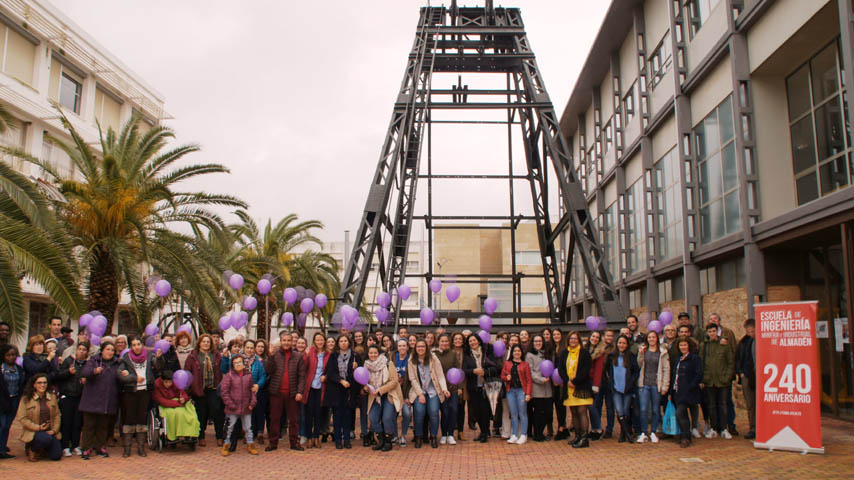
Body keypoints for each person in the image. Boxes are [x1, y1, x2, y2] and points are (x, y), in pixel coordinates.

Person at [117, 335, 159, 457]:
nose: (136, 347)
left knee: (142, 418)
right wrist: (135, 379)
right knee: (129, 418)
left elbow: (158, 367)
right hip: (130, 392)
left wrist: (160, 358)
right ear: (131, 346)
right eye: (134, 345)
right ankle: (127, 448)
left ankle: (141, 448)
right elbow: (120, 374)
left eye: (138, 344)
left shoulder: (150, 355)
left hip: (145, 391)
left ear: (142, 345)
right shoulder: (126, 357)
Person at [264, 331, 306, 451]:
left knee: (294, 420)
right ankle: (273, 443)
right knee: (275, 419)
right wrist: (270, 356)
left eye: (289, 340)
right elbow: (268, 371)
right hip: (276, 392)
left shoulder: (298, 356)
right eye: (284, 340)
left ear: (292, 342)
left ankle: (294, 443)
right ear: (281, 342)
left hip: (293, 393)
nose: (287, 343)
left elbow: (302, 376)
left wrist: (300, 392)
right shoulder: (275, 355)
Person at [79, 340, 120, 459]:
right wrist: (94, 372)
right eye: (108, 349)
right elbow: (84, 372)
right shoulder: (93, 361)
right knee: (89, 426)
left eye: (112, 350)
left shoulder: (116, 363)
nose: (110, 352)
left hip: (107, 400)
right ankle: (86, 448)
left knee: (103, 426)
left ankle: (100, 447)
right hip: (92, 399)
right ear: (102, 350)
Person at [408, 339, 449, 448]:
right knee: (419, 413)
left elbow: (440, 375)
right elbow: (412, 379)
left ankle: (433, 436)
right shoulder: (411, 360)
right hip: (418, 391)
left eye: (422, 346)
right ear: (415, 349)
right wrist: (420, 394)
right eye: (418, 347)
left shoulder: (433, 358)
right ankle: (418, 436)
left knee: (434, 413)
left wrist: (444, 389)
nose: (420, 348)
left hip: (433, 391)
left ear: (426, 348)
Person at [184, 334, 224, 447]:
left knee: (217, 411)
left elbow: (222, 369)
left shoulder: (216, 355)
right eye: (204, 341)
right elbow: (187, 372)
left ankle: (220, 436)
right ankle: (201, 436)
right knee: (201, 413)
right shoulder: (193, 356)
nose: (206, 343)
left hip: (214, 388)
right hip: (199, 389)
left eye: (208, 342)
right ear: (199, 343)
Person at [558, 331, 593, 448]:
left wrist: (575, 382)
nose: (573, 341)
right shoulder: (564, 353)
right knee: (573, 412)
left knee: (582, 411)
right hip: (569, 388)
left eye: (575, 339)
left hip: (581, 387)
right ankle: (577, 436)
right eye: (571, 339)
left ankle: (584, 438)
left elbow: (585, 370)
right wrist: (567, 380)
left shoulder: (584, 353)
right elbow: (561, 369)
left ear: (579, 340)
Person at [363, 344, 402, 452]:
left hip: (389, 394)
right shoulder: (366, 366)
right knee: (373, 417)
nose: (373, 355)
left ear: (379, 353)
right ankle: (381, 439)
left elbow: (394, 381)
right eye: (371, 353)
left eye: (375, 352)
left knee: (387, 418)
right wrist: (366, 388)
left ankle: (388, 441)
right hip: (375, 397)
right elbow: (365, 381)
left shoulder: (388, 363)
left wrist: (381, 389)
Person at [15, 373, 61, 461]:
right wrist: (38, 427)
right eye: (39, 383)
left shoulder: (52, 397)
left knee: (56, 456)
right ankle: (32, 449)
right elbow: (22, 418)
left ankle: (42, 449)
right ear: (34, 384)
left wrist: (54, 430)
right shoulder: (26, 399)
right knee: (45, 439)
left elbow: (57, 415)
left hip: (49, 431)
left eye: (45, 382)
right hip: (34, 431)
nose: (42, 385)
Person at [324, 335, 359, 449]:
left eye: (345, 341)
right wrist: (340, 380)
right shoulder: (333, 356)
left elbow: (360, 373)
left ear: (349, 342)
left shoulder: (355, 356)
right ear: (338, 343)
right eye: (341, 341)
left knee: (348, 416)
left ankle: (347, 440)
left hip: (349, 390)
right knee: (337, 415)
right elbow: (330, 372)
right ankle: (338, 440)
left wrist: (356, 368)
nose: (343, 343)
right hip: (336, 389)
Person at [700, 323, 734, 439]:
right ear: (707, 333)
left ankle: (724, 428)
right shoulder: (704, 346)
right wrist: (703, 378)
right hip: (709, 381)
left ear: (717, 331)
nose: (712, 334)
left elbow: (730, 362)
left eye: (714, 331)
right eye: (709, 332)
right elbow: (702, 363)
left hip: (722, 381)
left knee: (723, 405)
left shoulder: (724, 344)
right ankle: (713, 428)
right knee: (711, 406)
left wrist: (727, 377)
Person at [54, 342, 89, 457]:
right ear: (76, 350)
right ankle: (65, 446)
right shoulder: (68, 361)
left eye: (84, 350)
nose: (82, 351)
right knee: (66, 422)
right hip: (67, 396)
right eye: (80, 349)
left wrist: (86, 381)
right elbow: (58, 376)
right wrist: (68, 372)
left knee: (77, 423)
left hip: (80, 397)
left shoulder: (87, 364)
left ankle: (75, 445)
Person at [462, 333, 498, 443]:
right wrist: (473, 371)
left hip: (486, 387)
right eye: (470, 341)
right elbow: (464, 370)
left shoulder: (487, 353)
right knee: (477, 412)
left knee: (485, 411)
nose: (472, 343)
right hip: (474, 388)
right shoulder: (467, 355)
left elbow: (496, 367)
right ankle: (484, 431)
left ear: (478, 341)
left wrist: (485, 372)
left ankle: (484, 433)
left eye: (474, 340)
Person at [220, 355, 259, 456]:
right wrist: (231, 404)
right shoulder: (229, 376)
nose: (238, 364)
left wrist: (252, 403)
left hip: (246, 407)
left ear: (243, 363)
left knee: (248, 428)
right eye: (235, 363)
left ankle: (251, 445)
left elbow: (252, 391)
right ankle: (226, 445)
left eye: (239, 362)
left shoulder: (249, 376)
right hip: (232, 408)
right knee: (229, 427)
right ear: (232, 365)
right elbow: (224, 392)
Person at [707, 312, 738, 435]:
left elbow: (733, 353)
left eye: (715, 319)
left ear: (719, 321)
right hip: (711, 378)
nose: (713, 320)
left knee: (726, 402)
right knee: (713, 404)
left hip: (724, 376)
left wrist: (730, 374)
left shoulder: (728, 333)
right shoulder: (706, 342)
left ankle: (730, 425)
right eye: (711, 319)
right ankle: (716, 426)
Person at [603, 335, 639, 444]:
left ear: (627, 345)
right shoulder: (611, 356)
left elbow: (636, 372)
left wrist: (631, 384)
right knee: (619, 411)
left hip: (627, 389)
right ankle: (628, 434)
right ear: (616, 344)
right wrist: (610, 384)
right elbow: (606, 372)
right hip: (616, 389)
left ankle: (624, 434)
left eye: (624, 343)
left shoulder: (631, 356)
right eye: (619, 343)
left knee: (626, 411)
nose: (621, 345)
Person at [636, 330, 669, 444]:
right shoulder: (644, 350)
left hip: (656, 384)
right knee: (644, 409)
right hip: (644, 384)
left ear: (657, 339)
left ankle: (653, 431)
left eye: (653, 337)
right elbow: (639, 364)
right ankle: (644, 432)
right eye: (649, 337)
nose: (651, 339)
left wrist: (665, 386)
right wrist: (640, 354)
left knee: (655, 409)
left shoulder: (662, 352)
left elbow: (666, 369)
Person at [152, 370, 199, 443]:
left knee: (187, 414)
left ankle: (188, 433)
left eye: (170, 382)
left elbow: (184, 394)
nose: (168, 384)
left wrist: (184, 399)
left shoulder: (176, 383)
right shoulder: (157, 386)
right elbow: (161, 400)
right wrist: (178, 403)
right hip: (166, 405)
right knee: (174, 414)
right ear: (162, 380)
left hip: (178, 403)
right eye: (166, 382)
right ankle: (174, 435)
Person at [672, 338, 702, 448]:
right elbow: (674, 376)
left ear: (689, 346)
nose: (683, 347)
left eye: (685, 345)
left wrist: (691, 386)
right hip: (678, 391)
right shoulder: (678, 359)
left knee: (680, 413)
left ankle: (686, 437)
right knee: (682, 414)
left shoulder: (694, 359)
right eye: (681, 345)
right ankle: (684, 435)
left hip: (689, 392)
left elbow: (698, 374)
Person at [301, 333, 328, 449]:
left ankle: (316, 437)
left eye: (321, 340)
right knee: (309, 413)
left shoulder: (328, 354)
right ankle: (309, 437)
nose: (320, 342)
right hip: (310, 387)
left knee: (318, 413)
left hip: (321, 388)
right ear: (314, 341)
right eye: (317, 340)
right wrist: (305, 356)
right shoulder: (310, 352)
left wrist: (326, 377)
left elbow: (330, 370)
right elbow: (304, 367)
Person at [434, 333, 462, 445]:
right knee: (444, 412)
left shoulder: (453, 354)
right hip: (440, 388)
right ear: (438, 342)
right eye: (442, 341)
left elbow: (458, 370)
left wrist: (458, 387)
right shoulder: (434, 354)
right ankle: (444, 434)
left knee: (454, 410)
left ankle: (450, 434)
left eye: (446, 341)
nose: (444, 343)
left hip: (453, 388)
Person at [501, 344, 532, 445]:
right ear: (512, 353)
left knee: (522, 413)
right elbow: (502, 376)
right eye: (515, 351)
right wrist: (507, 378)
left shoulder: (525, 364)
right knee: (513, 414)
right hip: (510, 391)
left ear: (521, 352)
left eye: (519, 351)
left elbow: (529, 380)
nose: (517, 353)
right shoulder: (507, 363)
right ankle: (514, 434)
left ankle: (523, 434)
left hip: (521, 391)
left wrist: (528, 393)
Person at [525, 335, 552, 442]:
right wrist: (540, 379)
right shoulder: (529, 355)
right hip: (537, 388)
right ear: (532, 342)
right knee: (538, 412)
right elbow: (530, 372)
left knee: (548, 412)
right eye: (536, 341)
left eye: (540, 341)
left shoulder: (546, 354)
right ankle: (538, 434)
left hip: (548, 388)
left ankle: (540, 432)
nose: (538, 343)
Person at [1, 344, 24, 459]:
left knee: (7, 426)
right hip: (2, 400)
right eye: (8, 355)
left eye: (13, 355)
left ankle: (2, 449)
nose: (11, 357)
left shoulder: (19, 369)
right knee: (2, 424)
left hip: (14, 399)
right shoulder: (1, 368)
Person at [586, 330, 610, 440]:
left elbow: (598, 370)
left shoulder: (600, 352)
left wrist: (596, 385)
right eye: (593, 336)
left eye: (597, 337)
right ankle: (594, 429)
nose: (594, 338)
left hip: (594, 382)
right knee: (589, 406)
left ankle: (598, 428)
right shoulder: (585, 348)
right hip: (585, 381)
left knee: (592, 406)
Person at [736, 318, 756, 440]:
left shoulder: (763, 340)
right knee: (750, 404)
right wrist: (741, 372)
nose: (750, 334)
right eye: (748, 331)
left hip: (760, 376)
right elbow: (738, 357)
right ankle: (753, 427)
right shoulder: (744, 342)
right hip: (747, 376)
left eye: (752, 331)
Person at [393, 338, 412, 447]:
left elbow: (413, 379)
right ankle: (395, 435)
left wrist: (408, 397)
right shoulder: (392, 357)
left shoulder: (411, 359)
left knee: (407, 413)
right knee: (392, 414)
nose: (401, 348)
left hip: (406, 393)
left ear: (407, 347)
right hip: (394, 392)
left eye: (404, 346)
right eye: (399, 346)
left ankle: (403, 435)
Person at [550, 328, 568, 440]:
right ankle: (563, 427)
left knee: (562, 405)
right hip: (553, 381)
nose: (556, 336)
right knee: (556, 404)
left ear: (561, 336)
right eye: (554, 334)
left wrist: (562, 380)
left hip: (563, 380)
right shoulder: (551, 349)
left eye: (558, 334)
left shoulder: (565, 349)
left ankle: (562, 427)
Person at [252, 339, 269, 444]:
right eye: (258, 346)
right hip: (250, 390)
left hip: (263, 389)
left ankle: (260, 433)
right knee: (251, 412)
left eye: (262, 347)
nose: (260, 348)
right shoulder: (250, 359)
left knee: (260, 412)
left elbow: (268, 374)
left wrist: (260, 384)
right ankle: (251, 432)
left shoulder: (267, 360)